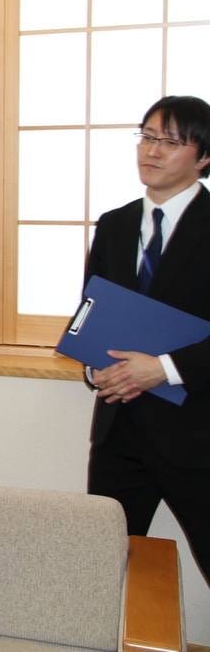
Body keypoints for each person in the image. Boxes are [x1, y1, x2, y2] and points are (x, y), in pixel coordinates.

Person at [84, 94, 210, 585]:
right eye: (147, 137)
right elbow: (92, 313)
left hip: (197, 431)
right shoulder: (114, 225)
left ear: (203, 157)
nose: (152, 151)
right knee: (102, 568)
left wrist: (164, 369)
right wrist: (95, 367)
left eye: (171, 142)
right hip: (120, 429)